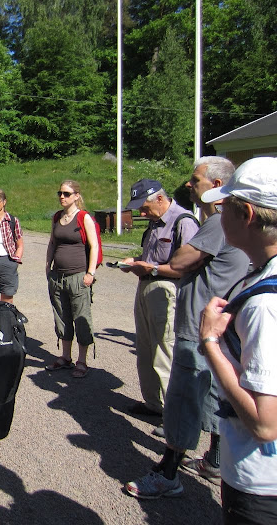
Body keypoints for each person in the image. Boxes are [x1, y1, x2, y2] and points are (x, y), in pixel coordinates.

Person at [125, 157, 250, 499]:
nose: (189, 185)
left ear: (217, 185)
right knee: (215, 393)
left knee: (182, 398)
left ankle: (168, 474)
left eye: (196, 180)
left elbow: (179, 261)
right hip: (219, 325)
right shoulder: (227, 221)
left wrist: (154, 267)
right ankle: (215, 461)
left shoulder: (218, 222)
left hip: (198, 325)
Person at [197, 157, 277, 524]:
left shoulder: (264, 304)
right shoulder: (261, 276)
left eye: (224, 205)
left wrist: (210, 342)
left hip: (260, 484)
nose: (218, 213)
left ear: (246, 214)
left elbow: (264, 424)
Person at [121, 179, 199, 418]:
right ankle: (153, 403)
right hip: (146, 287)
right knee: (145, 349)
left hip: (167, 289)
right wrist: (136, 262)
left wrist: (151, 268)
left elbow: (189, 266)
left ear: (161, 199)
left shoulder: (184, 222)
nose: (142, 214)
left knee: (165, 351)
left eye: (144, 208)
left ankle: (172, 414)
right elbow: (152, 257)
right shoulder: (155, 222)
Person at [44, 180, 99, 378]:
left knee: (81, 318)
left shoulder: (84, 218)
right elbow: (52, 243)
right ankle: (66, 357)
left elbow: (94, 245)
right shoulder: (57, 217)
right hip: (57, 276)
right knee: (62, 317)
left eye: (66, 194)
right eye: (60, 193)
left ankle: (82, 361)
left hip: (78, 277)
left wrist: (90, 273)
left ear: (76, 196)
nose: (62, 197)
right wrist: (48, 266)